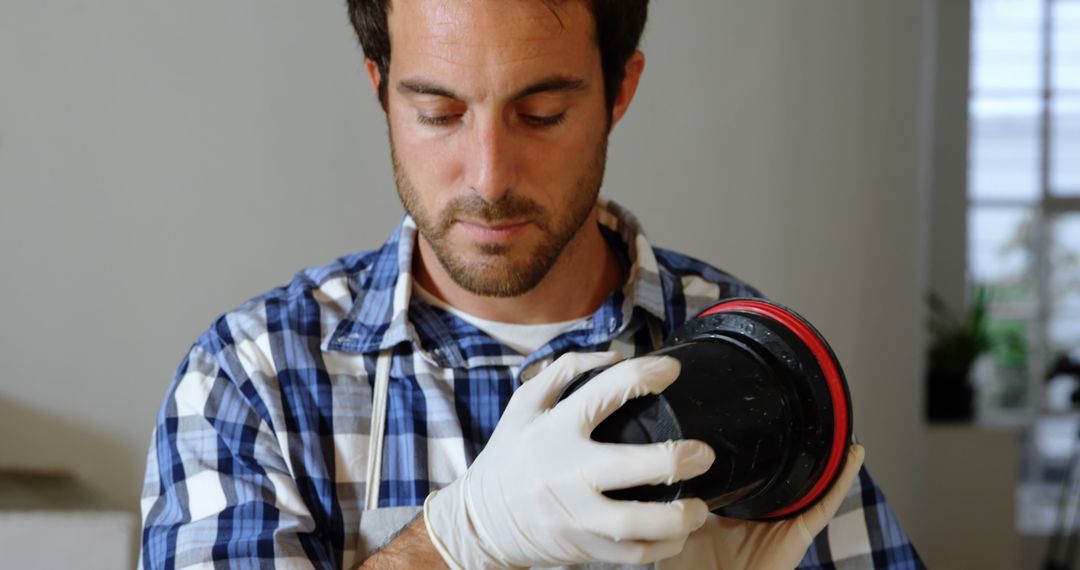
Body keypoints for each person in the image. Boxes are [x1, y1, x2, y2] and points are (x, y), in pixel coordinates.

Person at [139, 1, 924, 568]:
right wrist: (454, 544)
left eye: (542, 113)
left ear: (620, 90)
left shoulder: (750, 355)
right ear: (381, 89)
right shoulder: (252, 380)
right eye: (439, 113)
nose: (488, 176)